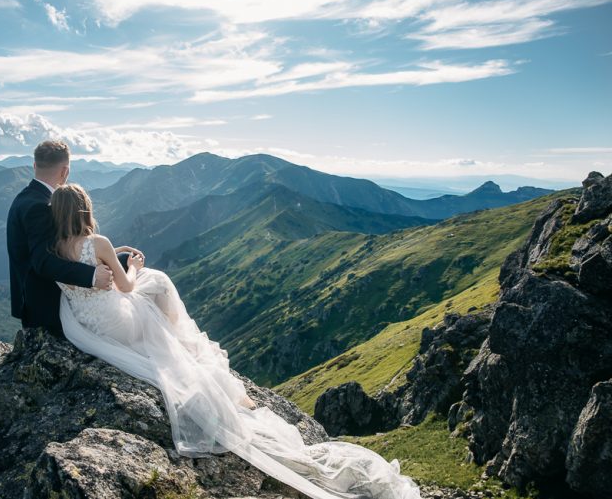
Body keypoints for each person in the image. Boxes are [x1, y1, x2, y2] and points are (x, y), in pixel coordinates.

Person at [51, 183, 421, 499]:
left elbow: (89, 283)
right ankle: (186, 342)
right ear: (84, 209)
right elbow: (126, 286)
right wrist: (131, 264)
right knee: (157, 281)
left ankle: (181, 340)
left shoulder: (51, 249)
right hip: (120, 321)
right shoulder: (96, 241)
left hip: (89, 324)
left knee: (154, 284)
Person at [6, 140, 116, 341]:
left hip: (31, 300)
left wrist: (108, 253)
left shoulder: (25, 198)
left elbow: (60, 249)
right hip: (45, 307)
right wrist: (92, 276)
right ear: (65, 171)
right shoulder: (40, 206)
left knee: (122, 258)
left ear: (35, 166)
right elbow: (43, 261)